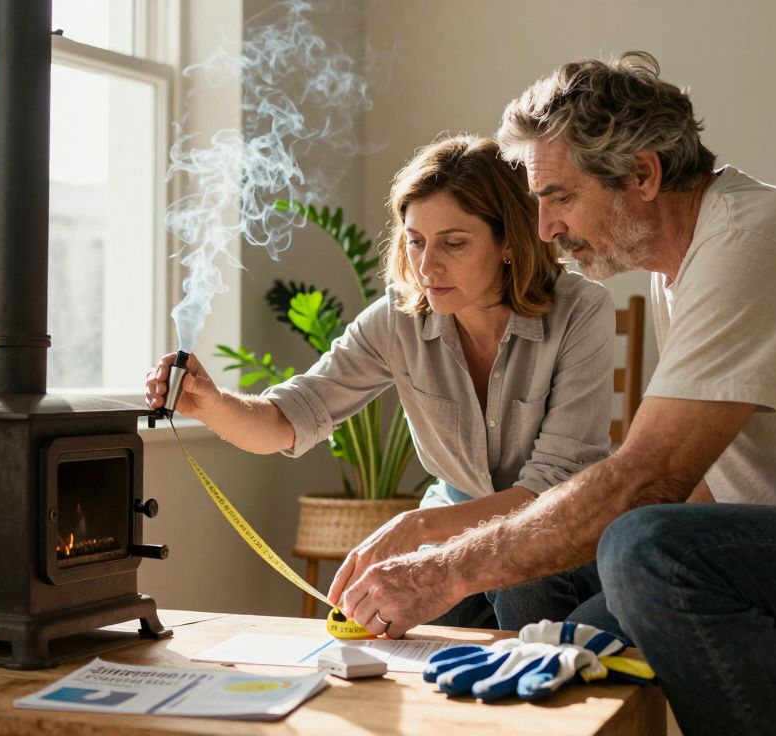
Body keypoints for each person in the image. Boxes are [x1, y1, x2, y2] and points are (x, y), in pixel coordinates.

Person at [336, 52, 776, 736]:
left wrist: (445, 570)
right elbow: (707, 484)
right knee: (539, 580)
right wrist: (563, 626)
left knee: (646, 546)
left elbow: (651, 480)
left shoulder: (751, 245)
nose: (544, 229)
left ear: (643, 174)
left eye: (559, 196)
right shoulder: (682, 263)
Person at [145, 134, 618, 631]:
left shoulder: (581, 311)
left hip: (552, 532)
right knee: (393, 625)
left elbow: (547, 492)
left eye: (454, 244)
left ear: (508, 242)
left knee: (523, 581)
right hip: (448, 532)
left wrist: (416, 527)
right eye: (416, 241)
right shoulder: (398, 320)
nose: (427, 266)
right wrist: (210, 403)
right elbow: (289, 420)